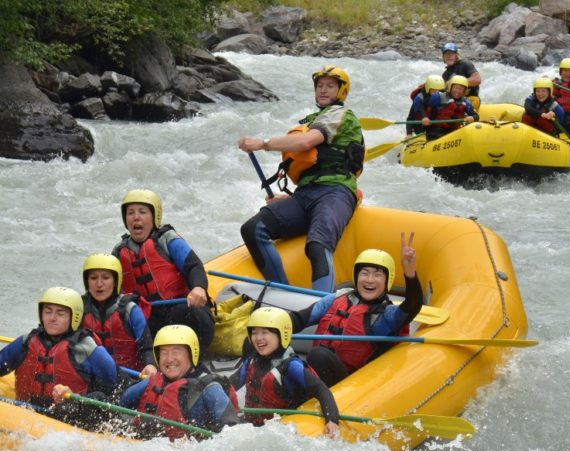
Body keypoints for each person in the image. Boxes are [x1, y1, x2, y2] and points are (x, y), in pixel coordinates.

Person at [238, 65, 364, 293]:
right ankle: (283, 293)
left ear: (341, 91)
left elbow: (306, 143)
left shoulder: (340, 115)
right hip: (305, 194)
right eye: (320, 86)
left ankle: (319, 307)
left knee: (317, 244)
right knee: (253, 228)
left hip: (336, 191)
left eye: (330, 86)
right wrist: (289, 200)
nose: (323, 90)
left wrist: (263, 144)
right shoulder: (310, 120)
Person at [289, 233, 422, 387]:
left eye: (377, 275)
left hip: (353, 385)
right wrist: (270, 327)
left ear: (387, 280)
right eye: (364, 273)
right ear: (356, 276)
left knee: (318, 355)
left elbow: (412, 306)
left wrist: (410, 274)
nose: (370, 280)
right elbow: (300, 318)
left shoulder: (385, 315)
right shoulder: (337, 298)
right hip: (318, 375)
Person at [112, 188, 215, 356]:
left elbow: (193, 266)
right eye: (130, 213)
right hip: (148, 317)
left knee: (190, 313)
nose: (136, 217)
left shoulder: (167, 239)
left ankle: (193, 359)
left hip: (180, 308)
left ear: (154, 217)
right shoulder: (119, 251)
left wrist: (198, 288)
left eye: (142, 212)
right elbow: (109, 290)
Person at [0, 287, 119, 428]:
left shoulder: (85, 348)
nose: (52, 318)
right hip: (24, 413)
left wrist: (76, 397)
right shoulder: (26, 342)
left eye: (60, 314)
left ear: (74, 317)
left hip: (66, 420)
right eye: (47, 311)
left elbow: (112, 386)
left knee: (98, 397)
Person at [232, 307, 340, 437]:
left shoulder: (291, 366)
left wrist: (332, 420)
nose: (258, 338)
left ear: (281, 334)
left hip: (280, 430)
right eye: (254, 333)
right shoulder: (251, 361)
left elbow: (321, 389)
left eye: (265, 332)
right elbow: (231, 385)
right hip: (253, 427)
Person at [118, 325, 239, 440]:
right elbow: (118, 405)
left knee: (152, 424)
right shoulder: (153, 382)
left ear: (192, 354)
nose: (170, 359)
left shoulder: (210, 388)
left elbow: (234, 432)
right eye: (164, 352)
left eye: (176, 351)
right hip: (149, 449)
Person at [81, 253, 157, 376]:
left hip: (128, 379)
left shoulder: (129, 310)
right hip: (91, 378)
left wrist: (150, 364)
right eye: (93, 278)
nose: (99, 284)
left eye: (106, 278)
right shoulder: (78, 309)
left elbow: (147, 348)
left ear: (116, 281)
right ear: (87, 282)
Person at [522, 78, 570, 152]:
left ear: (549, 92)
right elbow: (528, 108)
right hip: (528, 130)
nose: (540, 94)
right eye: (538, 91)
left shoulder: (554, 106)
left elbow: (567, 125)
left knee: (544, 120)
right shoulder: (531, 99)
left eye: (543, 91)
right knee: (527, 115)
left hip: (545, 136)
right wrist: (543, 114)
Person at [421, 75, 479, 141]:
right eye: (456, 88)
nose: (457, 91)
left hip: (454, 132)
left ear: (464, 91)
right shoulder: (438, 97)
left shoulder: (466, 102)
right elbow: (423, 108)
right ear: (451, 87)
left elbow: (476, 116)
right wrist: (424, 117)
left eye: (461, 89)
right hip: (436, 131)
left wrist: (472, 118)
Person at [441, 42, 481, 109]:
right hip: (455, 101)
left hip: (471, 99)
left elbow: (477, 79)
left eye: (451, 54)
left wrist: (453, 82)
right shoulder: (445, 75)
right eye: (446, 54)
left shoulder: (465, 64)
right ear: (443, 57)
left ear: (456, 55)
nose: (449, 56)